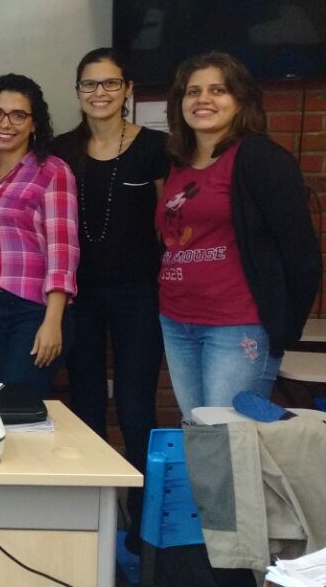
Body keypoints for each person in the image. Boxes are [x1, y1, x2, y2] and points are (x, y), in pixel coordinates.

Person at [156, 52, 320, 418]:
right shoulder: (178, 163)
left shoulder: (260, 158)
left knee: (230, 441)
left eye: (218, 90)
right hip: (177, 321)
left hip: (237, 326)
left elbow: (302, 255)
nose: (203, 100)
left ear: (241, 101)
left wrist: (282, 328)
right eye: (192, 91)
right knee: (200, 435)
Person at [53, 48, 167, 548]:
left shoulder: (156, 147)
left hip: (140, 294)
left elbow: (172, 224)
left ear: (127, 89)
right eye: (89, 85)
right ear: (77, 92)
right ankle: (94, 521)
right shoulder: (60, 150)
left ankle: (145, 527)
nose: (99, 93)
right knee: (85, 405)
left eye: (110, 84)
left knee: (138, 405)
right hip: (79, 294)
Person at [0, 74, 79, 396]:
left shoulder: (52, 170)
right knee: (7, 409)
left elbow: (64, 250)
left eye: (18, 115)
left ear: (34, 124)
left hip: (36, 309)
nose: (6, 123)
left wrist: (52, 320)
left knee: (17, 409)